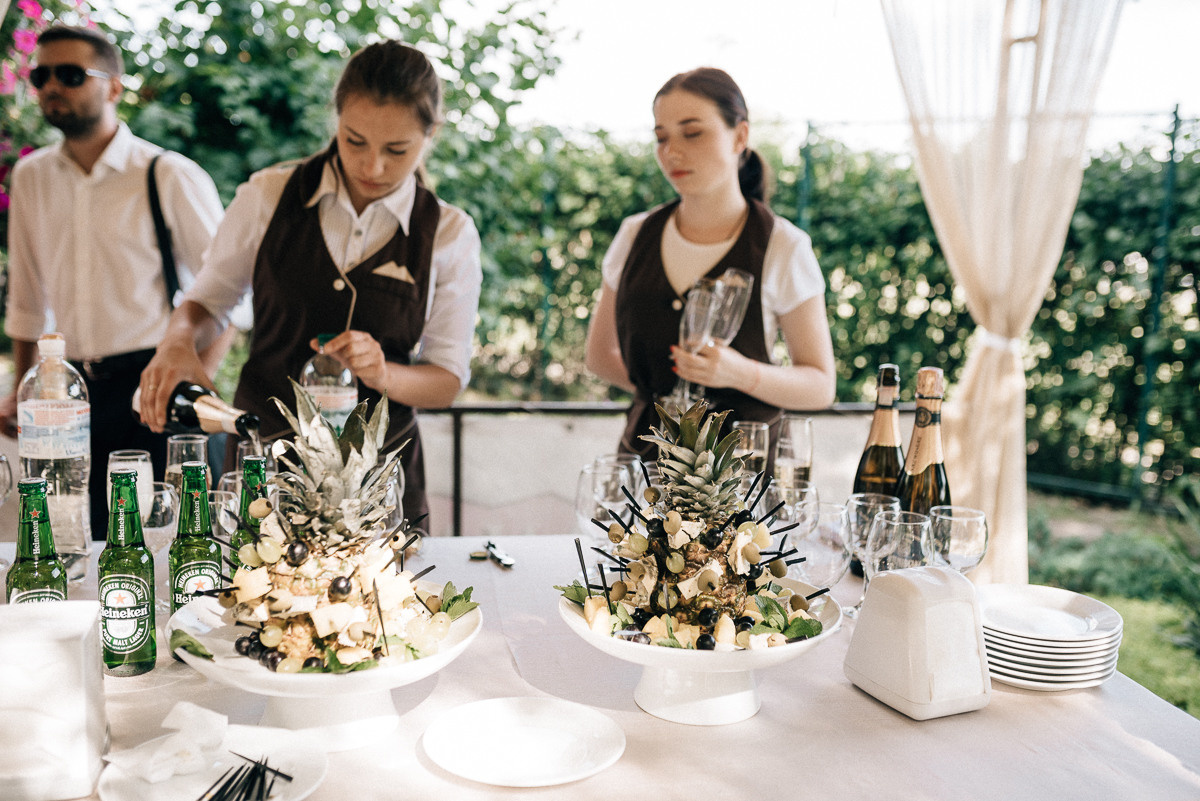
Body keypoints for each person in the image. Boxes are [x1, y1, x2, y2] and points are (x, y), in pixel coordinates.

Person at [137, 40, 482, 527]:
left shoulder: (448, 233)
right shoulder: (267, 196)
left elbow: (446, 381)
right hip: (264, 474)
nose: (373, 167)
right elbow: (206, 302)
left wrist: (383, 374)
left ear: (431, 136)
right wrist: (176, 342)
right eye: (354, 140)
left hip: (379, 490)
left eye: (397, 150)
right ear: (335, 121)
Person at [1, 24, 228, 540]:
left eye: (71, 74)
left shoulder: (167, 174)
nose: (53, 86)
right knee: (76, 548)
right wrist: (21, 390)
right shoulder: (31, 177)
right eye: (41, 75)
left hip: (154, 384)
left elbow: (229, 294)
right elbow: (28, 301)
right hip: (69, 397)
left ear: (114, 88)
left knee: (179, 553)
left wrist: (192, 387)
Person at [585, 67, 836, 462]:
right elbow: (599, 357)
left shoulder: (783, 246)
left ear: (740, 136)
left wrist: (740, 374)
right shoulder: (634, 235)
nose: (672, 151)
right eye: (661, 137)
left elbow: (821, 386)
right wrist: (664, 392)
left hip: (744, 489)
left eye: (693, 132)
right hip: (647, 475)